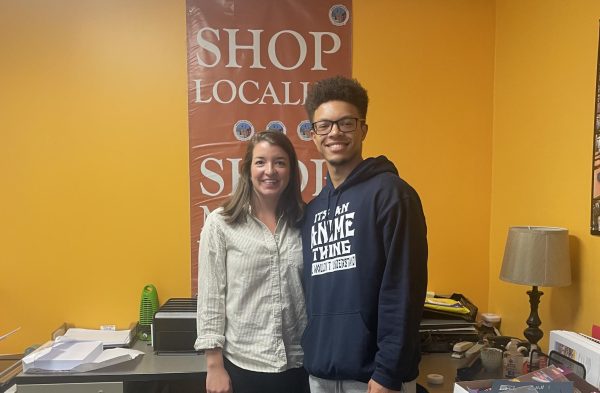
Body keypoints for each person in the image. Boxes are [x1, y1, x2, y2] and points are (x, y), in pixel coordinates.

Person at [301, 76, 428, 393]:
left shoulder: (393, 196)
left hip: (375, 379)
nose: (334, 133)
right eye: (324, 125)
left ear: (363, 129)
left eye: (346, 122)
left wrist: (387, 372)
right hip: (322, 376)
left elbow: (404, 289)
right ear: (313, 135)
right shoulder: (313, 210)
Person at [195, 131, 309, 393]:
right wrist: (214, 366)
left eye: (280, 162)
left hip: (300, 365)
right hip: (242, 367)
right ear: (247, 170)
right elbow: (212, 296)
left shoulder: (305, 221)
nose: (270, 170)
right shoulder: (221, 223)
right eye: (260, 162)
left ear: (292, 170)